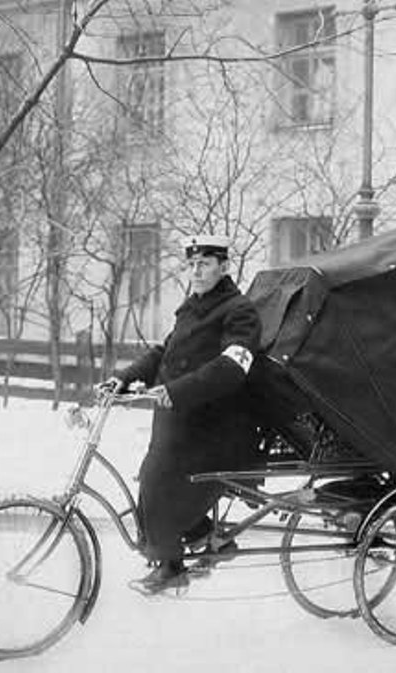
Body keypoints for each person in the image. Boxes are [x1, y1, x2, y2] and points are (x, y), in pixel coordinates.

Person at [103, 234, 262, 595]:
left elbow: (232, 368)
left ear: (224, 267)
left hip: (218, 426)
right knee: (152, 478)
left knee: (158, 481)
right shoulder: (192, 307)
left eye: (205, 264)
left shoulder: (239, 311)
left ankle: (171, 566)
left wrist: (177, 391)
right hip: (182, 422)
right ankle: (209, 538)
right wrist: (122, 379)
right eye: (192, 264)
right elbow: (164, 353)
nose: (196, 271)